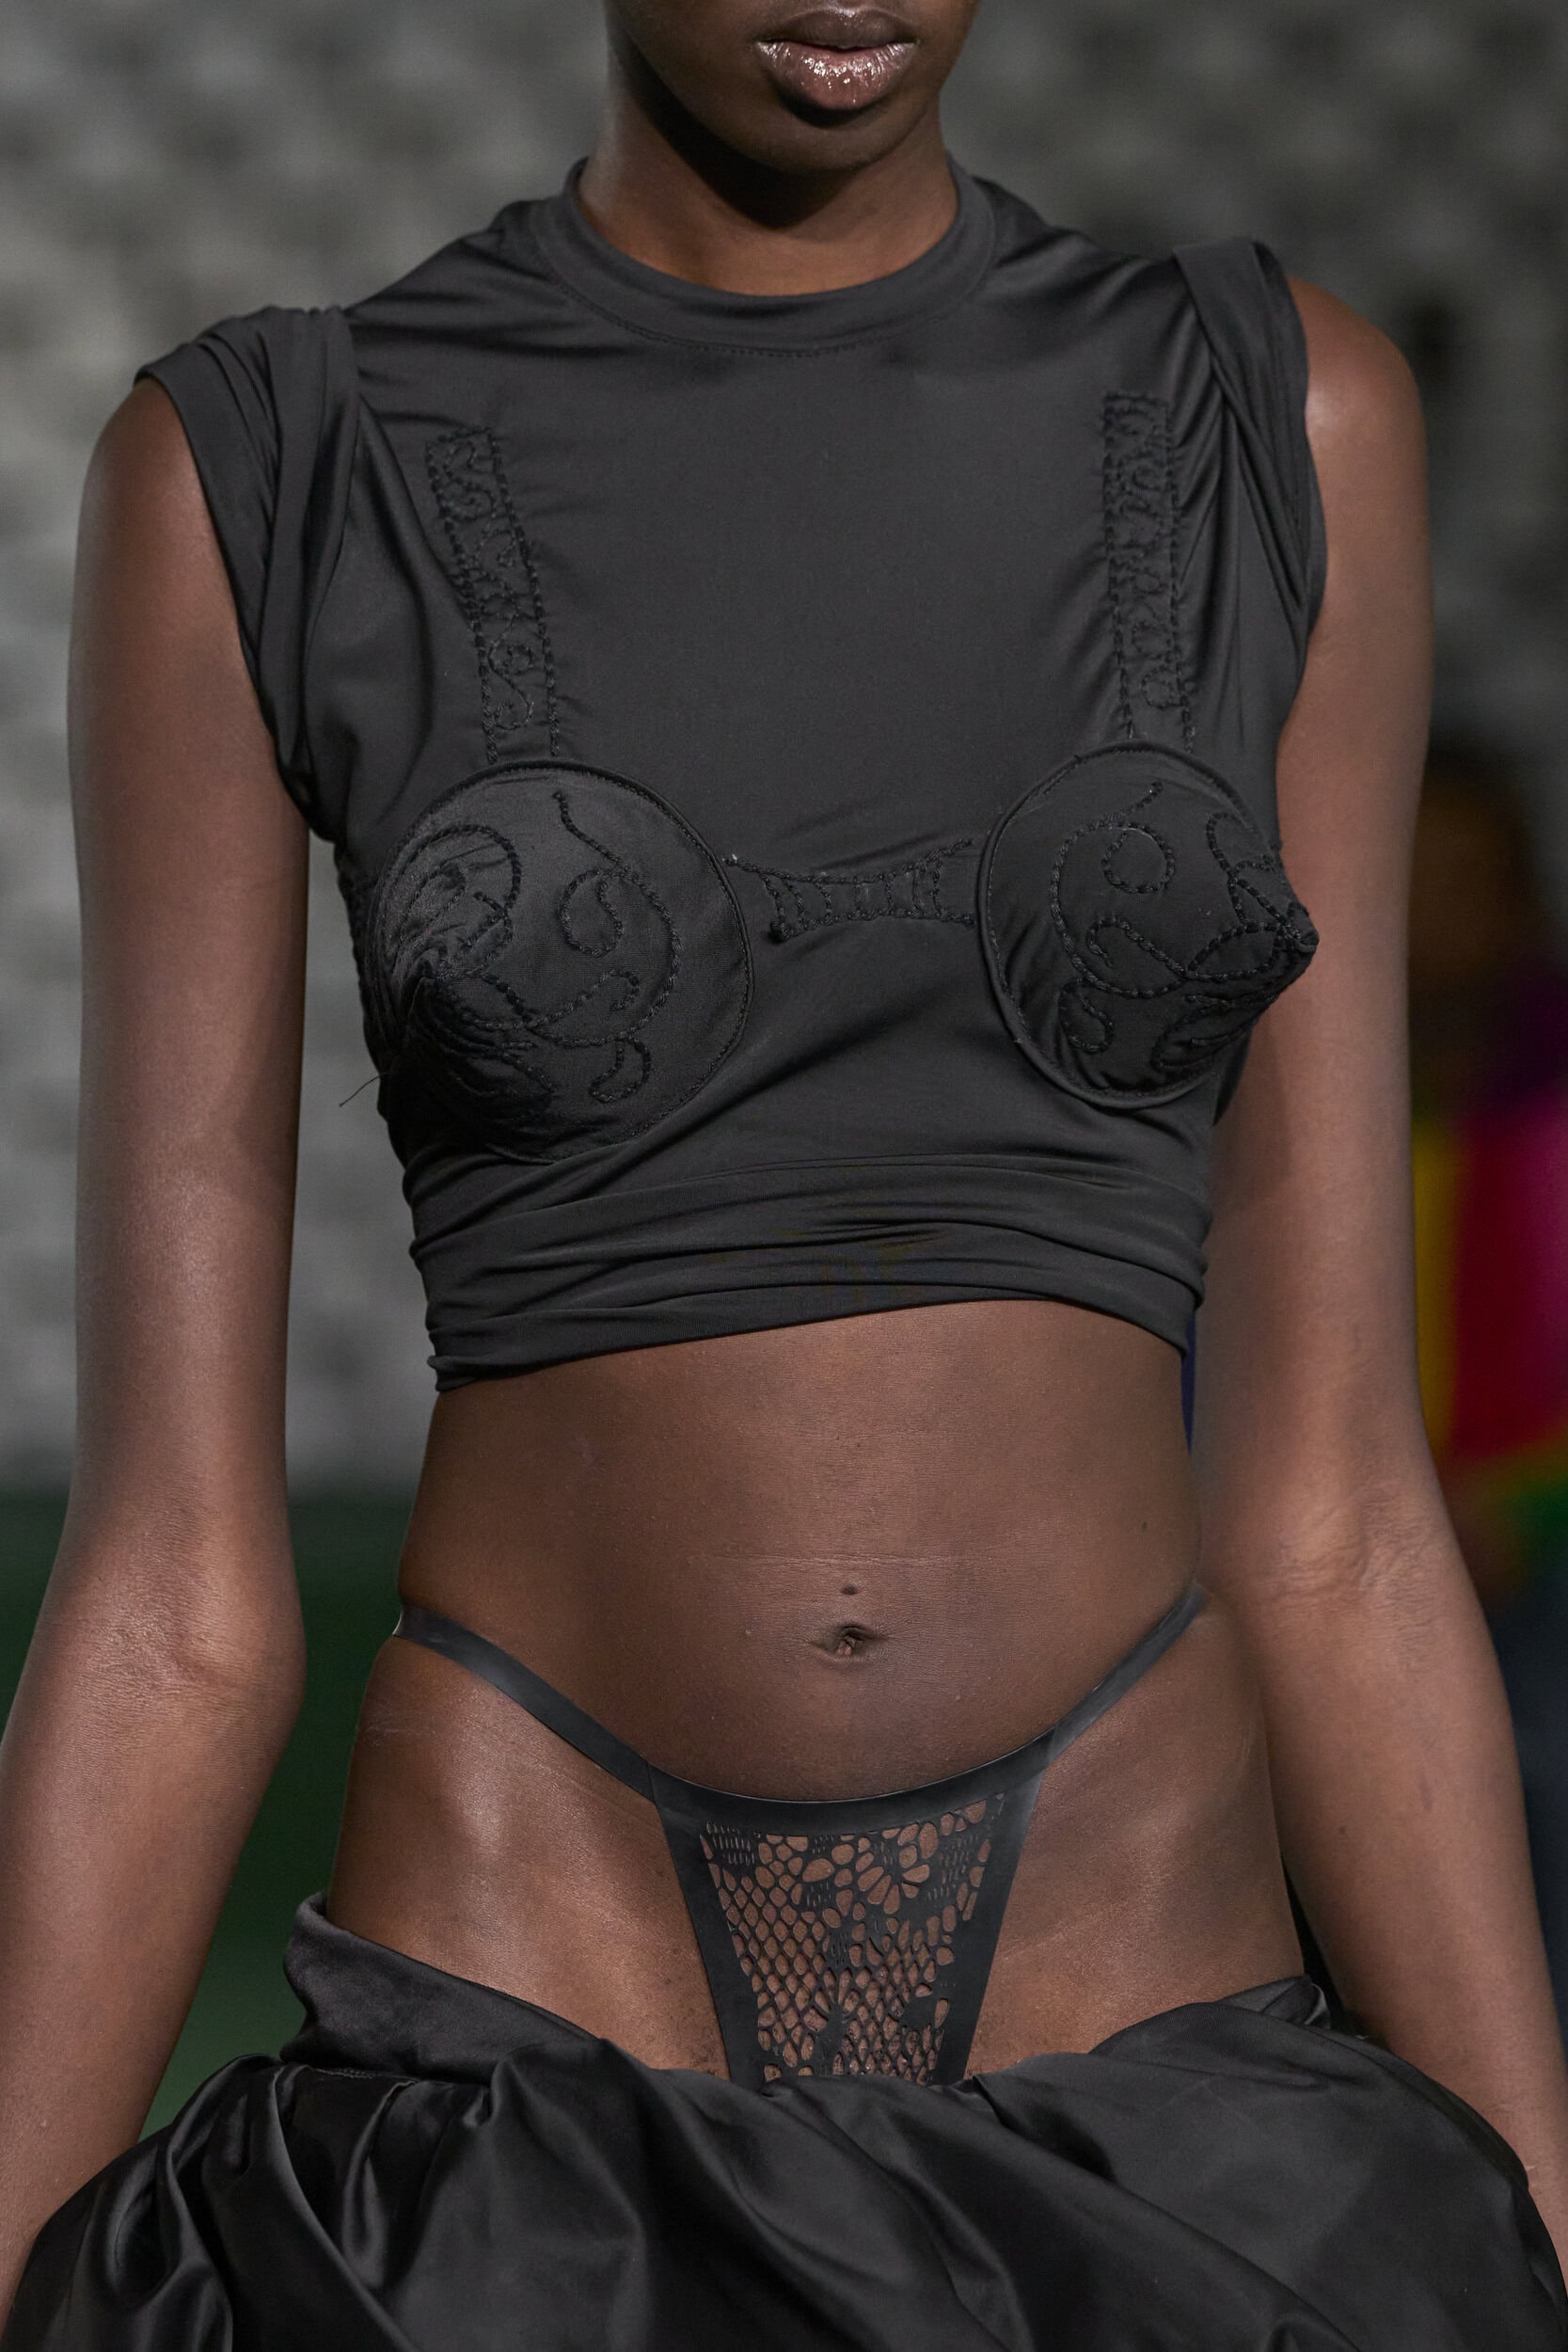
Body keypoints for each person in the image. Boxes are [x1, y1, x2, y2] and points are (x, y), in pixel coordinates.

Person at [2, 2, 1566, 2342]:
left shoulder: (1277, 415)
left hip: (1151, 2032)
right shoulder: (274, 462)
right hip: (527, 2036)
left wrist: (1539, 2220)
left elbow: (1332, 1494)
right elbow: (175, 1581)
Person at [1409, 742, 1568, 2019]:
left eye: (1468, 883)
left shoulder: (1552, 1118)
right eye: (1410, 881)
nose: (1435, 918)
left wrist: (1525, 1508)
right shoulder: (1275, 1122)